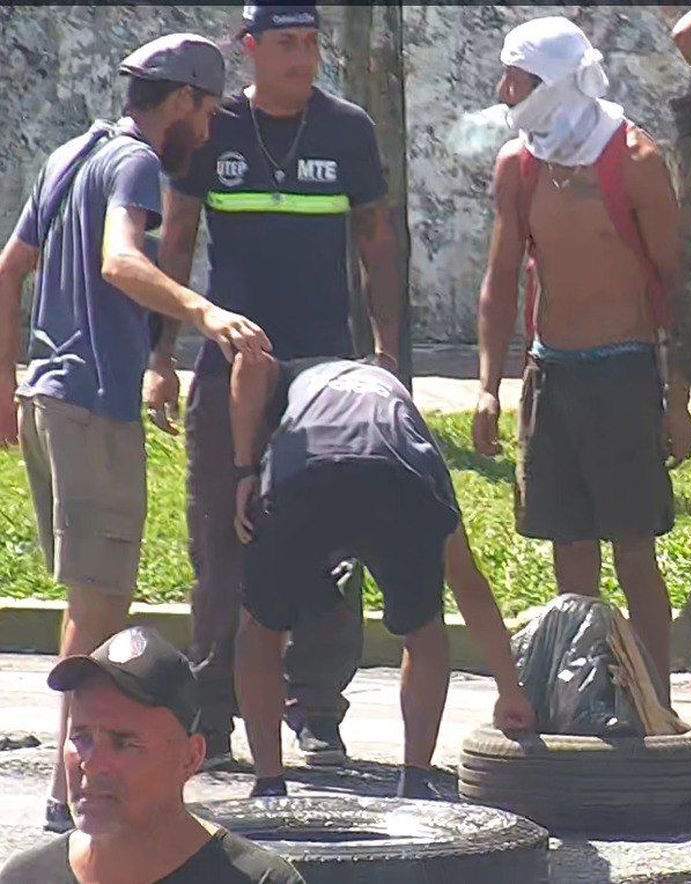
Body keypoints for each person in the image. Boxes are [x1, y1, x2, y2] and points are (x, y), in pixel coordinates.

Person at [0, 34, 271, 833]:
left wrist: (4, 385)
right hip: (92, 404)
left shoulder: (65, 156)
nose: (212, 126)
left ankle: (71, 785)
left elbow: (11, 267)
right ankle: (68, 797)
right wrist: (205, 312)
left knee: (87, 602)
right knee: (100, 613)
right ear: (182, 100)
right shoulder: (136, 165)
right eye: (210, 109)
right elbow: (121, 262)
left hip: (51, 400)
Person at [145, 2, 402, 769]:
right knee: (220, 542)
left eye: (312, 44)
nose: (303, 58)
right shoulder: (213, 129)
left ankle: (317, 709)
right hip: (227, 374)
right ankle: (213, 718)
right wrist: (162, 357)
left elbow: (378, 245)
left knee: (329, 535)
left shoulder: (348, 129)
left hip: (325, 375)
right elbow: (178, 243)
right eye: (286, 44)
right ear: (249, 49)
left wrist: (387, 353)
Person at [471, 16, 691, 694]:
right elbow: (501, 277)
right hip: (553, 373)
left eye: (520, 78)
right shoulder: (521, 162)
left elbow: (679, 287)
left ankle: (653, 699)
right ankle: (586, 689)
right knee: (570, 552)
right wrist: (489, 385)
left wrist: (678, 401)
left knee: (634, 550)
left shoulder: (633, 160)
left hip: (623, 374)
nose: (505, 90)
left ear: (560, 81)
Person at [229, 353, 535, 799]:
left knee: (260, 624)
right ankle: (415, 778)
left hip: (305, 474)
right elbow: (467, 580)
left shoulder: (294, 374)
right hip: (396, 475)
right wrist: (511, 691)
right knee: (423, 628)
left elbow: (249, 366)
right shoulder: (401, 411)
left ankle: (269, 782)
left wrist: (244, 469)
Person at [0, 626, 304, 883]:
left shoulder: (260, 880)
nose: (91, 763)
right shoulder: (25, 878)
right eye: (80, 736)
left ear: (190, 757)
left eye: (124, 742)